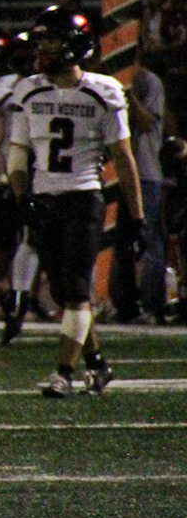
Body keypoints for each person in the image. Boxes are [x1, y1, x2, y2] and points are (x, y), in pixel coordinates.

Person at [7, 6, 139, 395]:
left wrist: (137, 216)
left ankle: (63, 373)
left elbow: (123, 157)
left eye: (52, 41)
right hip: (45, 199)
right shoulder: (28, 89)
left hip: (83, 197)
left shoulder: (103, 90)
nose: (44, 49)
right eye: (42, 41)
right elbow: (18, 153)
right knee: (63, 294)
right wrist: (21, 197)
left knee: (78, 292)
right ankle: (96, 363)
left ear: (75, 44)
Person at [109, 57, 167, 324]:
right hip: (115, 175)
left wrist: (128, 96)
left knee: (148, 239)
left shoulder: (148, 81)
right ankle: (124, 305)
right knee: (119, 242)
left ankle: (150, 305)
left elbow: (146, 122)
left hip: (144, 173)